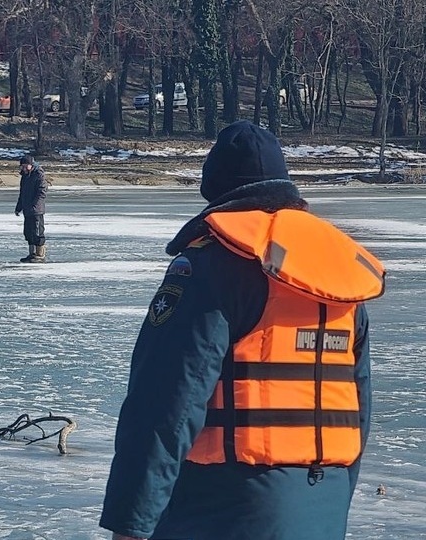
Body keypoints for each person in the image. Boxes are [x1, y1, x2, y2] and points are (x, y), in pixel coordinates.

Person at [99, 120, 386, 540]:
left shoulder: (214, 265)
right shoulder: (336, 271)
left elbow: (168, 402)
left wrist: (130, 522)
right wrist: (331, 503)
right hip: (323, 504)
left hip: (226, 506)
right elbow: (358, 406)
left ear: (216, 192)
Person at [14, 155, 48, 263]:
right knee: (28, 232)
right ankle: (31, 253)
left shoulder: (39, 175)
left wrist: (34, 205)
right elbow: (22, 193)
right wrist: (19, 207)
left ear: (31, 165)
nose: (23, 169)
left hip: (36, 210)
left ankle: (40, 254)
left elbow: (42, 192)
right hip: (27, 209)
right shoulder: (24, 177)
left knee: (38, 232)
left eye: (25, 166)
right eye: (22, 167)